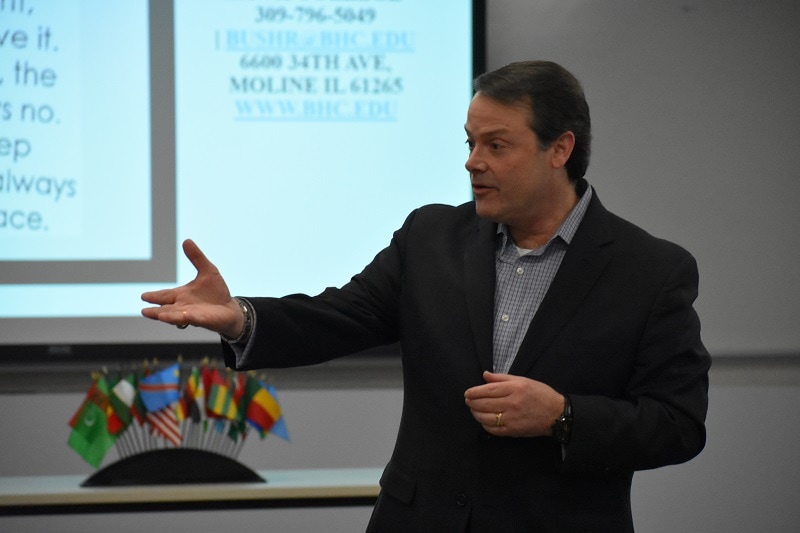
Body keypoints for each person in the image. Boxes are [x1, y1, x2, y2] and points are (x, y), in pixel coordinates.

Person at [141, 60, 710, 532]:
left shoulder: (650, 270)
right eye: (469, 142)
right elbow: (338, 316)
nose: (472, 161)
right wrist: (240, 317)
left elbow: (678, 423)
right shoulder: (431, 237)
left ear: (560, 148)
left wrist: (563, 416)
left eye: (496, 145)